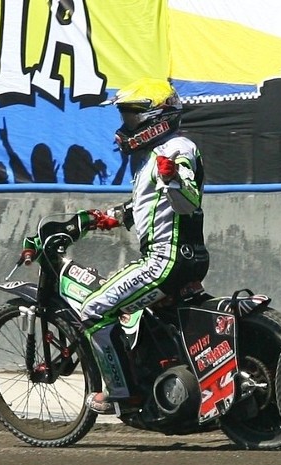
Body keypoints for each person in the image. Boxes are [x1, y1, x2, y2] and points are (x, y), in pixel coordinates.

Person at [80, 78, 208, 414]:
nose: (125, 125)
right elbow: (154, 206)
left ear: (155, 116)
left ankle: (123, 394)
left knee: (92, 310)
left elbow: (187, 201)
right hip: (186, 258)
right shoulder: (153, 154)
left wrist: (175, 179)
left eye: (131, 116)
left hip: (163, 261)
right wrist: (117, 216)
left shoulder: (175, 148)